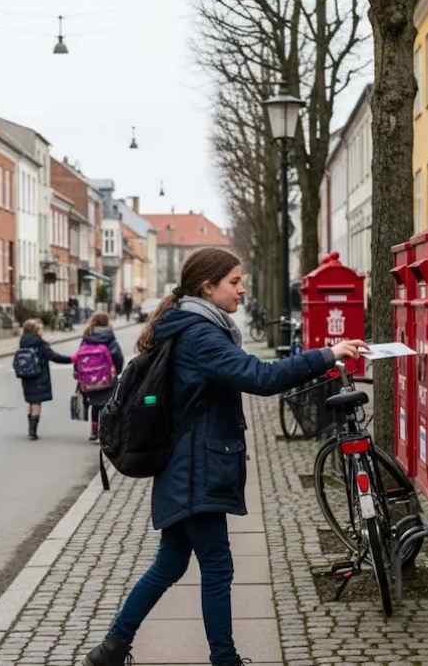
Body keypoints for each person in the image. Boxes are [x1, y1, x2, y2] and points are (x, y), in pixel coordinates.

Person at [81, 248, 365, 666]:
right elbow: (260, 377)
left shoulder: (194, 326)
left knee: (171, 563)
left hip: (188, 465)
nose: (242, 288)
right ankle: (223, 660)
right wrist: (327, 354)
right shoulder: (200, 335)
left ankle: (110, 650)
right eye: (234, 282)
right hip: (195, 469)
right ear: (207, 287)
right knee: (216, 567)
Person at [18, 319, 73, 440]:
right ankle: (33, 432)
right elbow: (54, 357)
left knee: (31, 401)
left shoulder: (23, 342)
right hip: (39, 376)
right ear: (35, 331)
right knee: (37, 402)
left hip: (26, 376)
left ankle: (30, 428)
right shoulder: (40, 344)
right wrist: (71, 359)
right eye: (40, 329)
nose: (42, 331)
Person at [76, 312, 123, 442]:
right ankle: (104, 432)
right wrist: (116, 372)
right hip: (107, 377)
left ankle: (93, 432)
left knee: (95, 404)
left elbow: (79, 357)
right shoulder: (110, 337)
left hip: (89, 378)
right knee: (105, 404)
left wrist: (79, 374)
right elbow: (118, 357)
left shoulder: (87, 337)